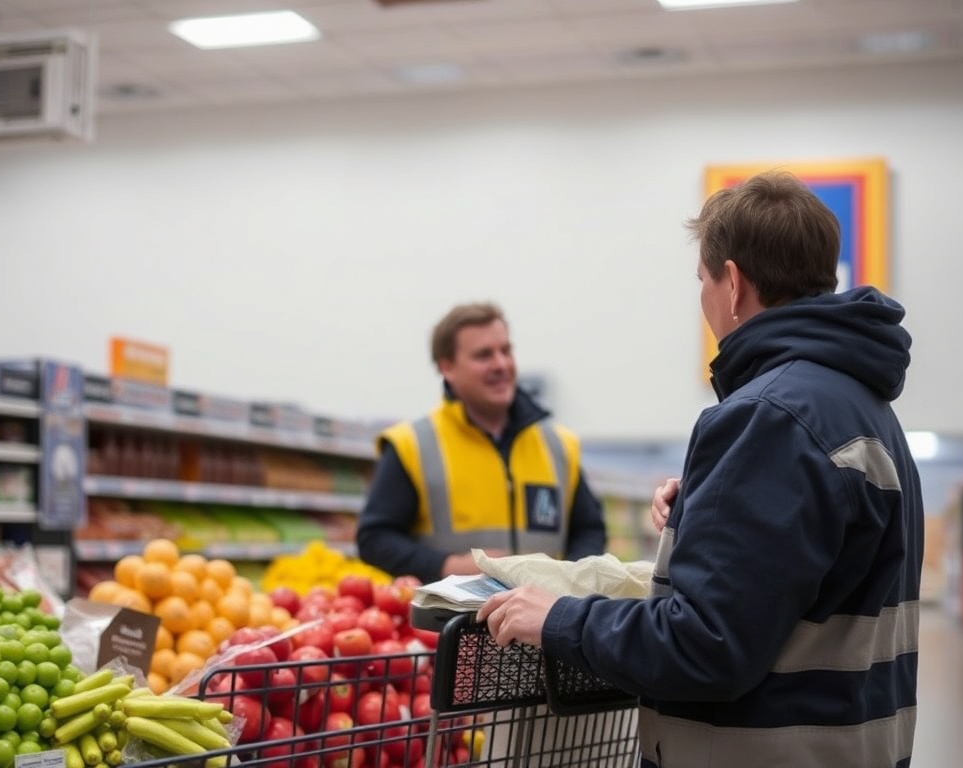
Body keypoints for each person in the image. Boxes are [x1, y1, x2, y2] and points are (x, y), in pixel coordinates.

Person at [477, 171, 924, 768]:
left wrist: (558, 618)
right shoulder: (863, 408)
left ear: (732, 284)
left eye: (702, 280)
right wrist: (708, 509)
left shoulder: (770, 417)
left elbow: (706, 647)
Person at [356, 301, 607, 584]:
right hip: (451, 612)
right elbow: (374, 539)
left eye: (506, 351)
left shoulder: (559, 444)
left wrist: (570, 580)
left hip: (546, 611)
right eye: (483, 355)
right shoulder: (411, 445)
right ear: (447, 367)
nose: (501, 364)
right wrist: (448, 566)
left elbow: (589, 529)